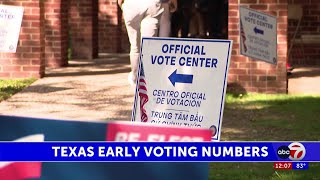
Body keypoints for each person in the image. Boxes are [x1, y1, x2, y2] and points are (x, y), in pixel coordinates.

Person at [118, 0, 164, 86]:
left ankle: (136, 78)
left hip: (132, 5)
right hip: (152, 4)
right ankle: (148, 80)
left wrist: (122, 4)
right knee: (148, 47)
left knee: (135, 47)